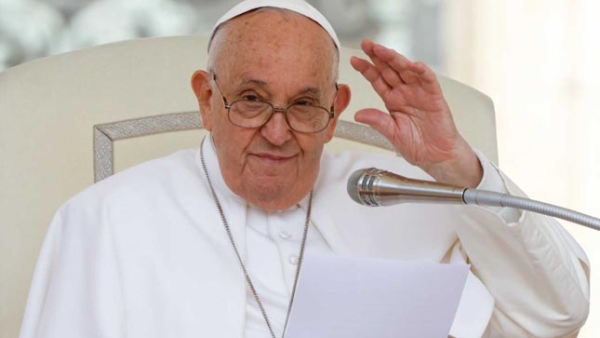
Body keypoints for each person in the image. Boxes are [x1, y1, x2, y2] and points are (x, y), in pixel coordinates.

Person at [19, 0, 590, 337]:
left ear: (336, 108)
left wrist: (457, 168)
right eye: (249, 99)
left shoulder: (401, 196)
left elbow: (558, 314)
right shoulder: (105, 221)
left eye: (304, 104)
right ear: (205, 99)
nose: (276, 131)